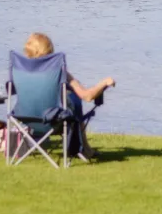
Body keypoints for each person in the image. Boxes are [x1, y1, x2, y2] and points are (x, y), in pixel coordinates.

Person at [23, 32, 115, 160]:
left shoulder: (22, 73)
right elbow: (87, 96)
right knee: (73, 99)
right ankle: (85, 149)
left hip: (28, 120)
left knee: (69, 99)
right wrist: (105, 82)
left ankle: (86, 149)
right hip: (54, 123)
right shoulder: (60, 73)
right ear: (50, 52)